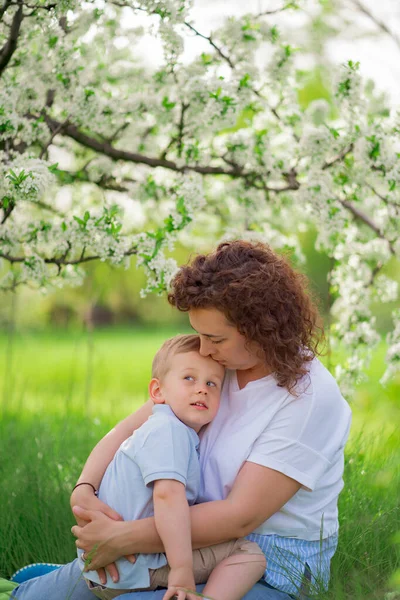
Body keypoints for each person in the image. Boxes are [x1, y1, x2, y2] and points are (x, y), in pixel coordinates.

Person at [12, 239, 352, 600]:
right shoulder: (218, 364)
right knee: (39, 596)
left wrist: (122, 537)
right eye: (200, 335)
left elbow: (240, 518)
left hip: (266, 561)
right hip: (178, 535)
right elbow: (129, 428)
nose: (203, 349)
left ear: (260, 328)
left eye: (214, 338)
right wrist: (85, 492)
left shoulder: (308, 397)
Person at [78, 334, 266, 600]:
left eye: (212, 383)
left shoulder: (158, 427)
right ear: (158, 391)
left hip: (111, 566)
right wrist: (181, 569)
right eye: (189, 378)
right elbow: (168, 497)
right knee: (249, 555)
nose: (202, 389)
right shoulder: (170, 432)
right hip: (134, 568)